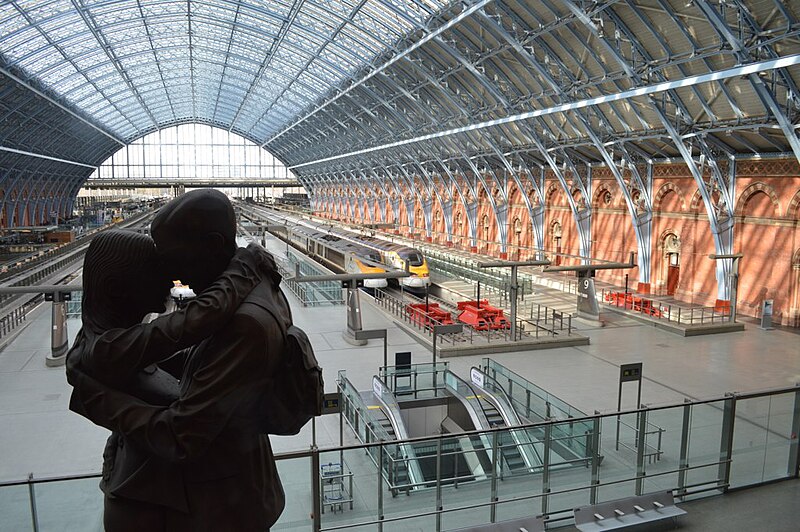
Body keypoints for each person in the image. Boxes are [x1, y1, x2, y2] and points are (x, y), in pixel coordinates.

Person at [68, 190, 290, 531]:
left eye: (173, 260)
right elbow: (195, 342)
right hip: (205, 494)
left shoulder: (245, 321)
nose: (172, 278)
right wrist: (243, 266)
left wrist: (94, 397)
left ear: (213, 245)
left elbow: (181, 435)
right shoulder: (249, 290)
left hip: (218, 503)